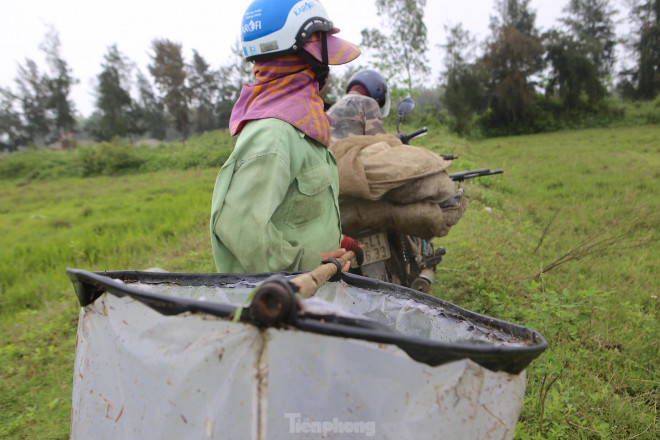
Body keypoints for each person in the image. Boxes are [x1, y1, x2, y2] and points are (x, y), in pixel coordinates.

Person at [210, 0, 362, 274]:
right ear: (302, 59)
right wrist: (308, 264)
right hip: (289, 299)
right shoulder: (275, 134)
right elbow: (241, 228)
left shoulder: (302, 126)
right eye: (319, 56)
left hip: (318, 295)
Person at [326, 69, 391, 143]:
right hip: (348, 153)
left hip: (329, 152)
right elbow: (379, 141)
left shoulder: (334, 106)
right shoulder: (368, 102)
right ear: (377, 89)